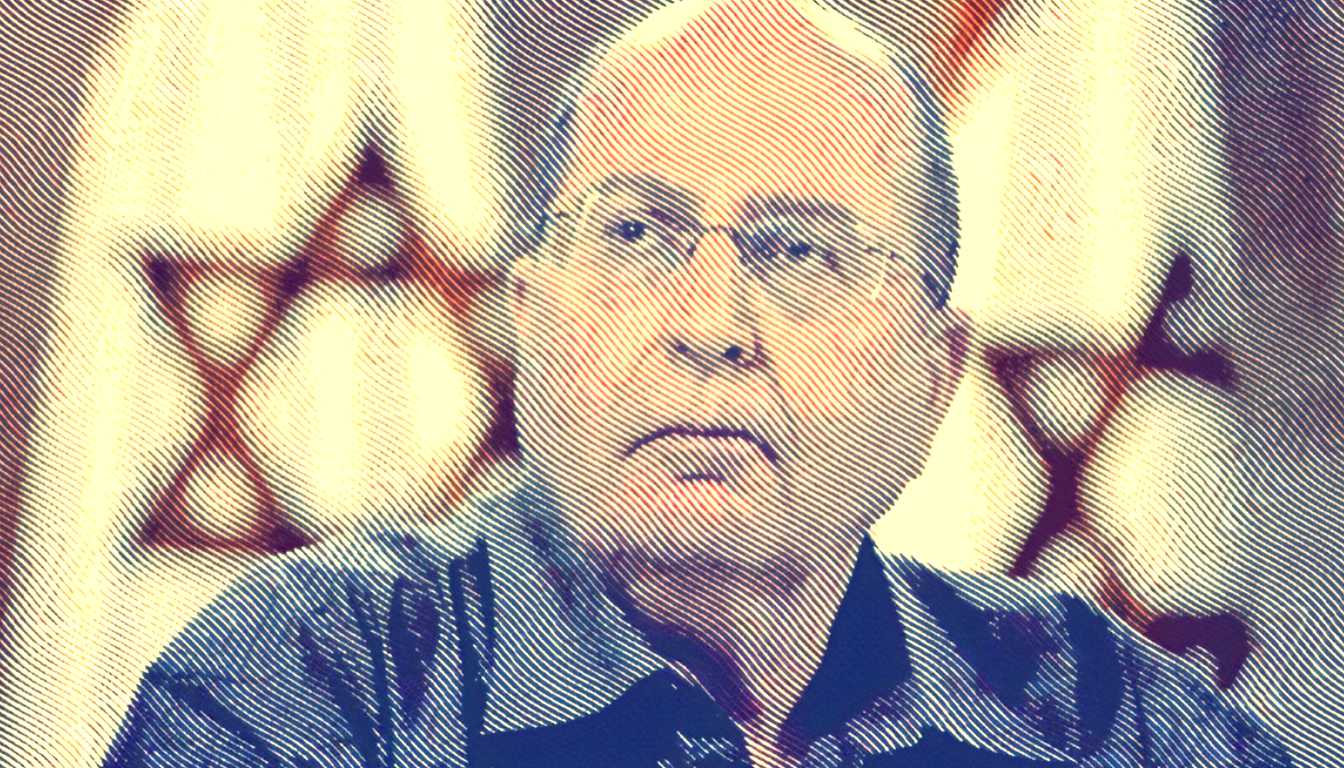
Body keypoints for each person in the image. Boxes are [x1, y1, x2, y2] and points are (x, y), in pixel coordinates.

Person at [102, 0, 1291, 765]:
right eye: (636, 235)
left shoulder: (1105, 717)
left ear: (932, 381)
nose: (711, 326)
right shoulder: (309, 682)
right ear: (532, 322)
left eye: (804, 253)